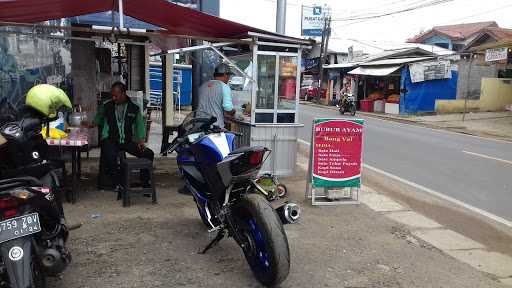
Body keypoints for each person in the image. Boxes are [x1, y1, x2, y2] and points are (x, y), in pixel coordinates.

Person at [86, 82, 154, 189]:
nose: (113, 98)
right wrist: (91, 124)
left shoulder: (134, 108)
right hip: (111, 140)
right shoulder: (106, 106)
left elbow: (140, 125)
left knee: (148, 154)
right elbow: (98, 118)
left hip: (127, 141)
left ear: (123, 94)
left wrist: (141, 140)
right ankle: (117, 184)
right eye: (112, 95)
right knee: (111, 157)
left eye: (116, 95)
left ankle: (145, 183)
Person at [197, 63, 236, 128]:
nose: (229, 78)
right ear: (225, 75)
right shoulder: (224, 87)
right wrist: (234, 111)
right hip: (215, 126)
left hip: (200, 124)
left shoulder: (203, 86)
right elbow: (228, 107)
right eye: (229, 76)